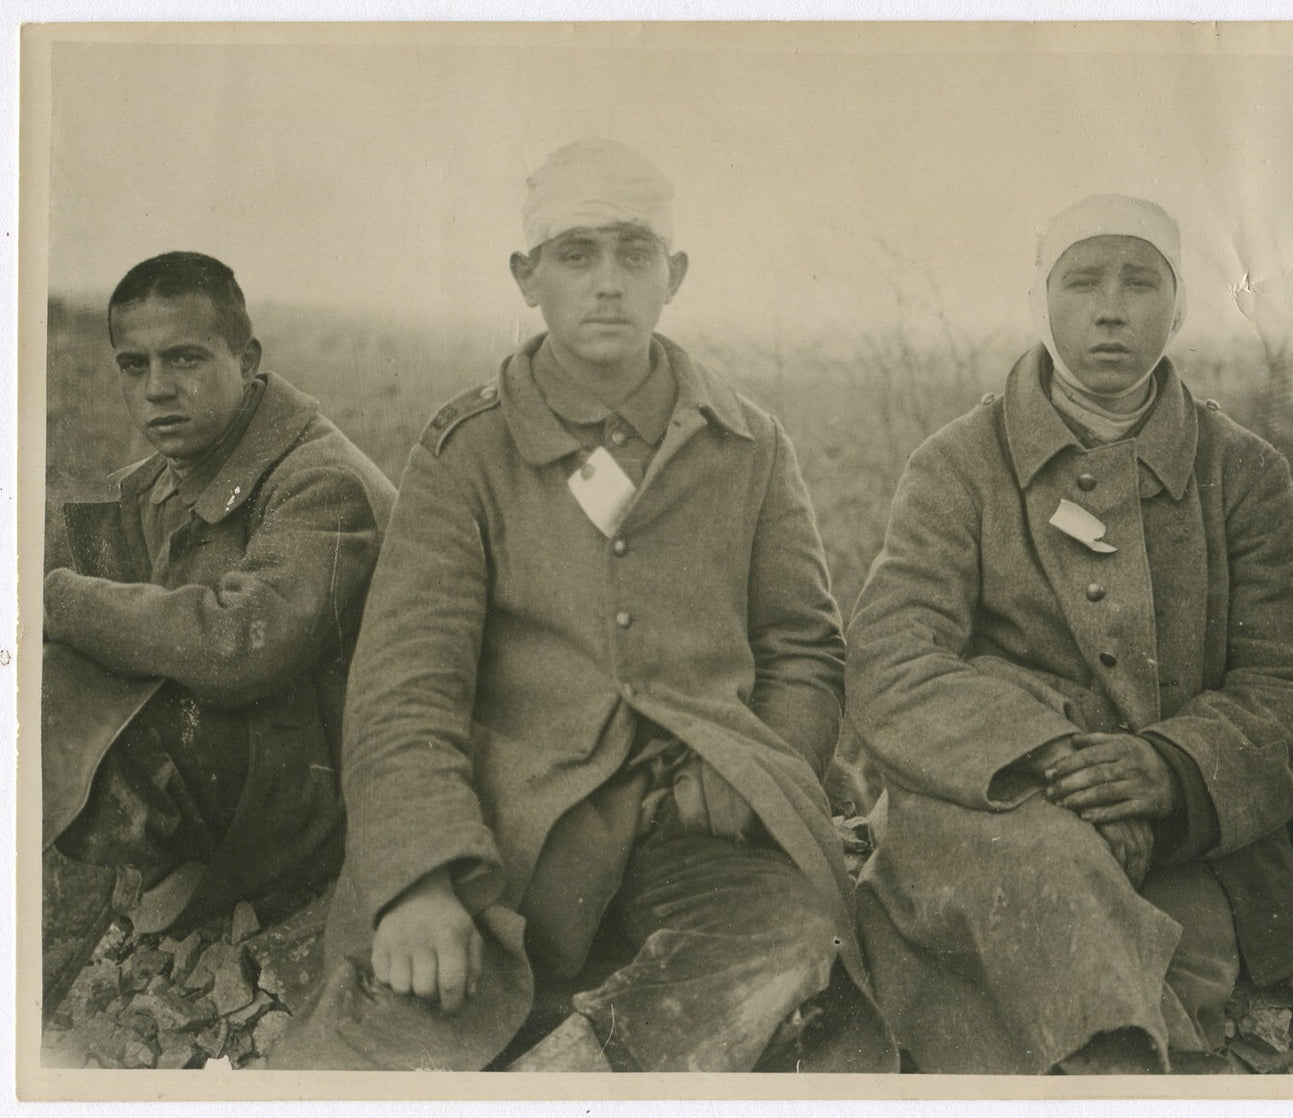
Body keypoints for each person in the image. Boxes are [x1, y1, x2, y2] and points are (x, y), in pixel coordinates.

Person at [277, 139, 894, 1073]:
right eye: (576, 254)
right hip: (516, 827)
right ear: (528, 278)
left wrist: (753, 775)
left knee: (792, 935)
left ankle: (577, 1077)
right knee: (398, 1025)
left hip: (692, 824)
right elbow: (405, 688)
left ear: (673, 275)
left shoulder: (748, 445)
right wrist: (418, 878)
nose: (607, 282)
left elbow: (804, 647)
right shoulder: (465, 453)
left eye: (634, 253)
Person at [844, 196, 1293, 1074]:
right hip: (1005, 805)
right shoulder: (955, 465)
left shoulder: (1241, 471)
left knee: (1187, 954)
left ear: (1177, 309)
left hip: (1197, 827)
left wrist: (1169, 770)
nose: (1110, 307)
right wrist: (1052, 757)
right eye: (1080, 281)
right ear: (1041, 301)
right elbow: (890, 661)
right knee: (1042, 912)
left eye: (1140, 283)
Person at [43, 252, 397, 936]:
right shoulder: (158, 480)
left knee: (49, 695)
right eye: (134, 365)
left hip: (334, 799)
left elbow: (240, 650)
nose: (157, 389)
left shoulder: (320, 483)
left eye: (186, 360)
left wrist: (59, 601)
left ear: (246, 358)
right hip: (259, 760)